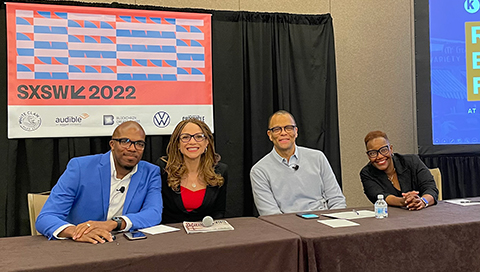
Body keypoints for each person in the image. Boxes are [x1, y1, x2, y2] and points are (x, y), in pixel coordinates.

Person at [36, 121, 162, 243]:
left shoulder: (150, 172)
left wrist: (114, 224)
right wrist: (76, 232)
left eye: (139, 144)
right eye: (125, 141)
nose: (132, 148)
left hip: (124, 247)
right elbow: (46, 217)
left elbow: (153, 213)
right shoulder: (80, 167)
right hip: (81, 246)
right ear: (112, 144)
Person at [250, 110, 346, 216]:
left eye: (288, 128)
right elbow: (270, 214)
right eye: (277, 129)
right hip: (286, 228)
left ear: (296, 132)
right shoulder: (259, 170)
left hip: (323, 223)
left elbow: (337, 200)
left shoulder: (318, 158)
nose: (283, 133)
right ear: (270, 135)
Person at [156, 118, 227, 223]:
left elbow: (219, 212)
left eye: (199, 137)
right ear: (178, 144)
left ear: (207, 142)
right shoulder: (164, 168)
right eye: (185, 137)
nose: (192, 142)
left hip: (206, 235)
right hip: (171, 234)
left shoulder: (220, 171)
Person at [360, 130, 438, 210]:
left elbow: (431, 189)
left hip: (422, 215)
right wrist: (404, 201)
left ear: (390, 149)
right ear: (368, 155)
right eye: (373, 153)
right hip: (390, 219)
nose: (379, 156)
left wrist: (422, 201)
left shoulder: (412, 161)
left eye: (383, 150)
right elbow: (380, 197)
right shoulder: (367, 173)